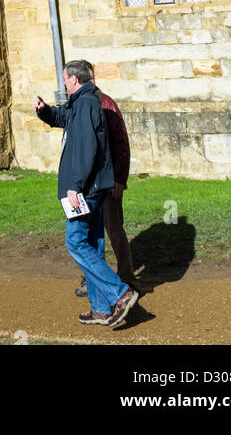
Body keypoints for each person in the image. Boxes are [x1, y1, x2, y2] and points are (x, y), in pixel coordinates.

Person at [34, 59, 139, 328]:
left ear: (74, 80)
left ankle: (120, 293)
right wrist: (45, 111)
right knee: (93, 244)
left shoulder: (87, 103)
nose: (64, 83)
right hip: (92, 187)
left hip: (86, 189)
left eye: (65, 79)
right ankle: (101, 308)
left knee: (76, 242)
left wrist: (75, 185)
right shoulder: (82, 101)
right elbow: (62, 118)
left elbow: (86, 148)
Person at [75, 66, 138, 298]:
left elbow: (121, 143)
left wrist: (120, 179)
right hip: (85, 184)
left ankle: (127, 277)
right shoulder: (77, 105)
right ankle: (91, 278)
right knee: (88, 233)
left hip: (107, 181)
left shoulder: (107, 104)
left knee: (113, 229)